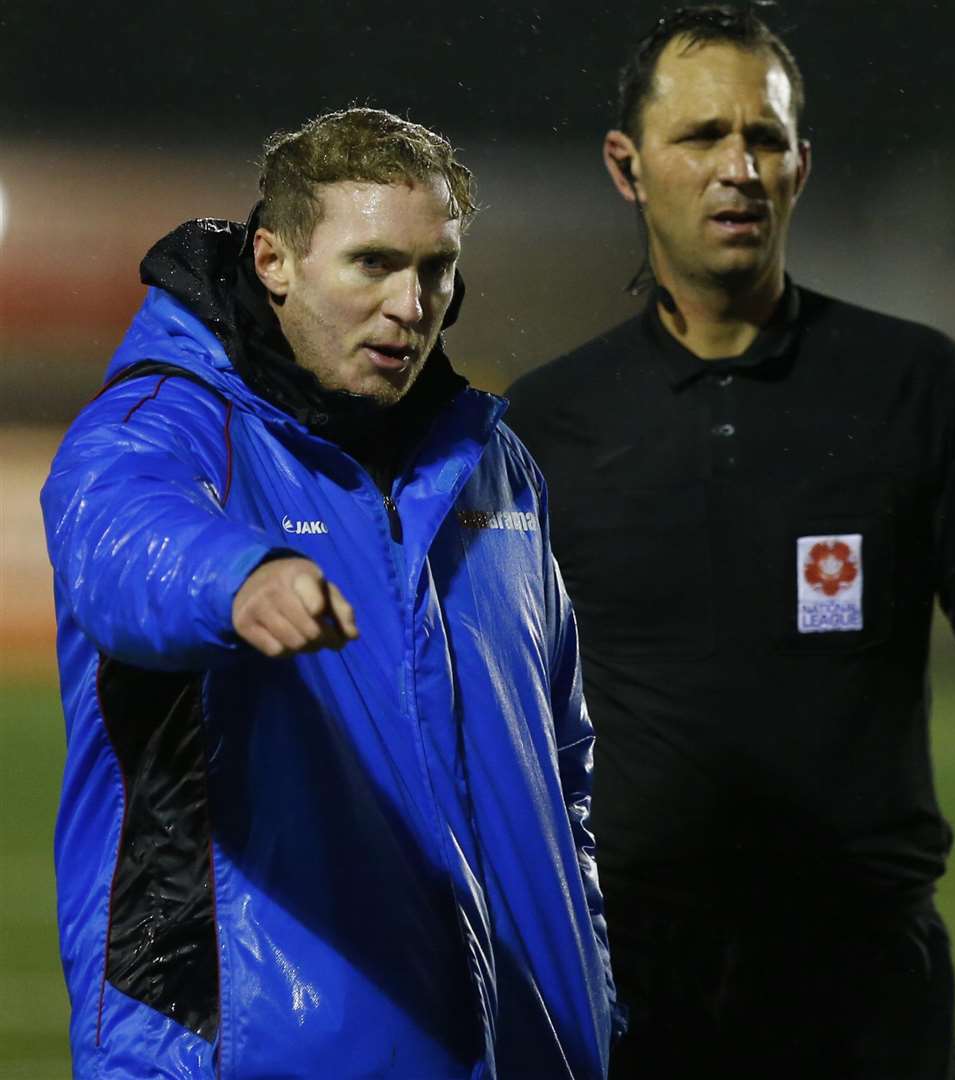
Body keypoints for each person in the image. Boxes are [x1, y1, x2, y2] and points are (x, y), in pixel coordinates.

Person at [503, 7, 955, 1079]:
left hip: (863, 988)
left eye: (764, 139)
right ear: (626, 167)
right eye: (702, 137)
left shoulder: (912, 387)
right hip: (626, 984)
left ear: (801, 167)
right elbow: (490, 721)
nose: (738, 167)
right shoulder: (546, 424)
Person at [41, 107, 618, 1078]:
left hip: (520, 1049)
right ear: (274, 260)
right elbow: (116, 538)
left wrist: (587, 989)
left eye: (434, 270)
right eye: (373, 264)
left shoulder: (494, 465)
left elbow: (565, 770)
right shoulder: (166, 421)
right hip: (247, 1051)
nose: (411, 304)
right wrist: (235, 574)